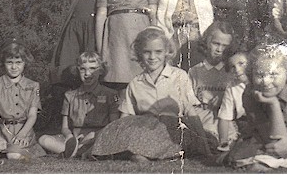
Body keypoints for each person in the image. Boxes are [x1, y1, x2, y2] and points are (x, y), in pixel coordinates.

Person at [90, 27, 211, 161]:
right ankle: (136, 154)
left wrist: (203, 144)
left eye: (158, 52)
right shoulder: (136, 83)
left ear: (166, 52)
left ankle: (144, 155)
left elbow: (191, 112)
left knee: (197, 138)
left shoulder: (179, 76)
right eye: (147, 52)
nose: (152, 57)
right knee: (127, 131)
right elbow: (126, 117)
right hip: (145, 131)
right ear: (139, 53)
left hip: (171, 130)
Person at [95, 0, 158, 91]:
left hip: (139, 30)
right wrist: (99, 48)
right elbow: (100, 16)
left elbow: (153, 15)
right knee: (116, 72)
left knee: (140, 74)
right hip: (116, 34)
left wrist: (154, 42)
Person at [50, 0, 111, 90]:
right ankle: (71, 100)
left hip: (93, 31)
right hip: (74, 32)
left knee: (92, 65)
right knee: (70, 66)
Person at [39, 52, 119, 159]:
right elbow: (65, 127)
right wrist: (69, 137)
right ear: (77, 70)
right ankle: (80, 152)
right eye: (83, 69)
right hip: (75, 140)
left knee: (107, 142)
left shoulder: (110, 94)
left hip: (98, 137)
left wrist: (93, 136)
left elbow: (113, 125)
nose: (87, 73)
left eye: (92, 69)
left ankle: (77, 152)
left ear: (100, 71)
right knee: (43, 139)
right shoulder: (70, 95)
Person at [0, 39, 46, 160]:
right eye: (9, 62)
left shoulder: (33, 85)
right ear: (3, 63)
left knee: (13, 155)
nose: (14, 67)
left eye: (18, 62)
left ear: (25, 63)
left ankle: (21, 149)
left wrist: (22, 134)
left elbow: (32, 115)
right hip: (0, 130)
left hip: (22, 129)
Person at [156, 0, 214, 71]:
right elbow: (161, 23)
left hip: (196, 40)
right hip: (175, 40)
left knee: (195, 69)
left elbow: (208, 23)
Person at [188, 21, 238, 143]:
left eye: (224, 46)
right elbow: (189, 101)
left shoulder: (231, 71)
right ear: (207, 42)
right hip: (203, 114)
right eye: (216, 44)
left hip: (225, 115)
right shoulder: (195, 71)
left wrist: (223, 100)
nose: (219, 50)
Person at [217, 51, 250, 151]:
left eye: (241, 64)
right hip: (245, 124)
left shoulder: (261, 82)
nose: (237, 69)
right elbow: (224, 116)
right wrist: (223, 142)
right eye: (232, 66)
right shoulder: (232, 87)